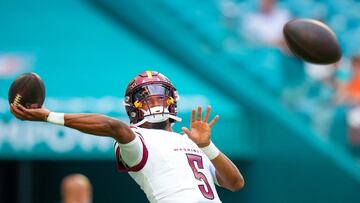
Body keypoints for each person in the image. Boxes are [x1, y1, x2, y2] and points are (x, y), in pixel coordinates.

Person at [10, 70, 244, 203]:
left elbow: (235, 183)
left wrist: (208, 146)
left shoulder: (190, 140)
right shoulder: (137, 139)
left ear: (172, 100)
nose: (156, 102)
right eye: (148, 99)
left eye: (161, 97)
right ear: (134, 107)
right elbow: (113, 126)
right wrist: (49, 116)